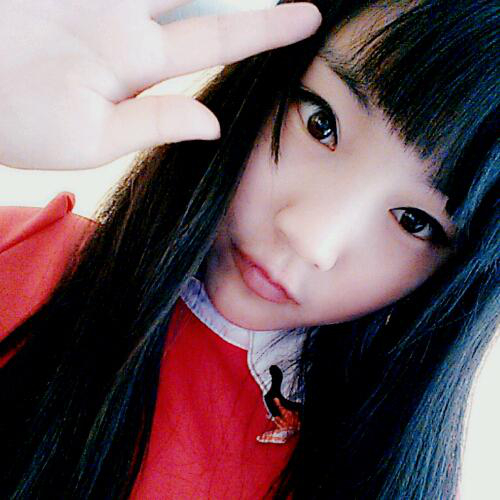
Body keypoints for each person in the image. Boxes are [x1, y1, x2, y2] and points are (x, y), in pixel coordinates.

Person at [0, 0, 498, 498]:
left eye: (414, 221)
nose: (310, 236)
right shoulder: (23, 259)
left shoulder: (368, 475)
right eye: (320, 123)